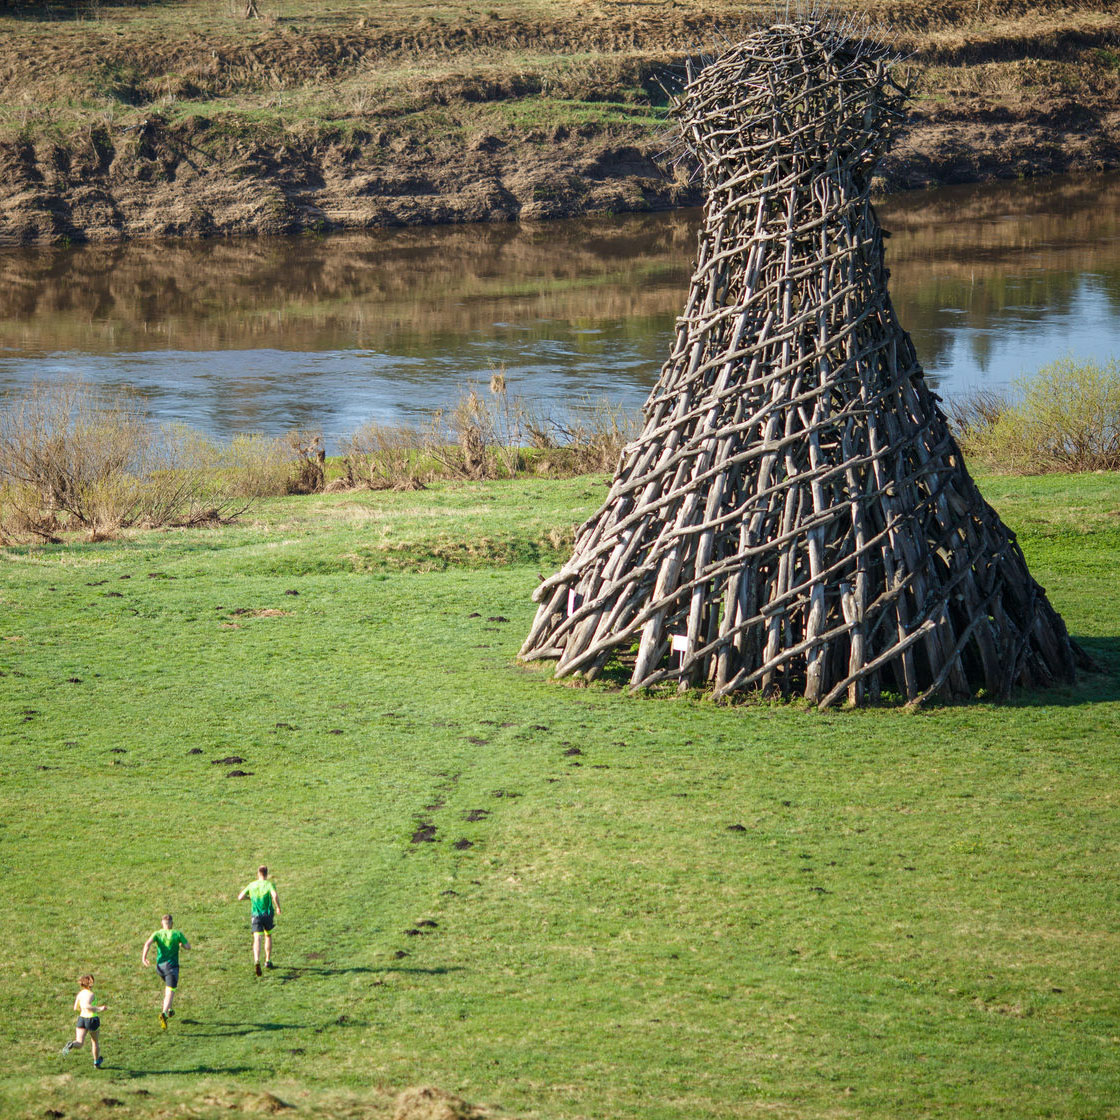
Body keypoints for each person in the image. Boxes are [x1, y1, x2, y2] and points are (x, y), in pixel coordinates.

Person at [141, 914, 190, 1029]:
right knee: (170, 992)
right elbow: (188, 947)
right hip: (171, 968)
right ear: (172, 924)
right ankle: (164, 1013)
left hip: (160, 968)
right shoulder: (177, 933)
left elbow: (147, 944)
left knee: (169, 989)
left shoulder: (157, 933)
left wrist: (144, 958)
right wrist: (181, 944)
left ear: (162, 923)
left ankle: (169, 1009)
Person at [237, 865, 280, 976]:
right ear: (267, 874)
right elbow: (274, 895)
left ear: (258, 873)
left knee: (257, 938)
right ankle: (267, 960)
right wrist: (278, 907)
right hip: (268, 914)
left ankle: (256, 960)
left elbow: (240, 897)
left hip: (256, 915)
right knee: (268, 936)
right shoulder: (269, 884)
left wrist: (249, 898)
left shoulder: (252, 885)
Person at [62, 974, 105, 1067]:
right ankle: (96, 1062)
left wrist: (83, 1010)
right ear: (90, 983)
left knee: (79, 1042)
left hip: (81, 1019)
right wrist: (99, 1008)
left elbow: (75, 1008)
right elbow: (86, 1005)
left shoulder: (80, 994)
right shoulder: (91, 994)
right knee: (94, 1042)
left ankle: (72, 1044)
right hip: (92, 1019)